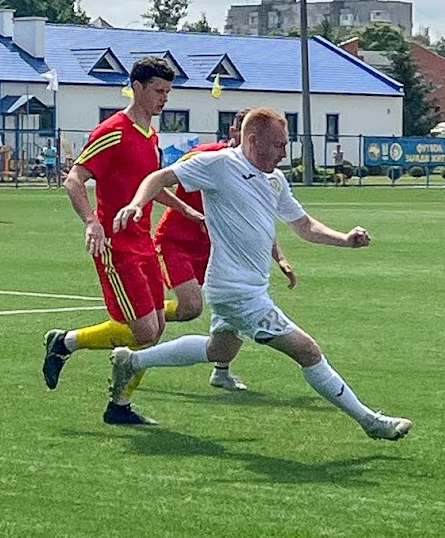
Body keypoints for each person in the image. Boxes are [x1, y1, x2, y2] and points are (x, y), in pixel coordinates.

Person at [105, 108, 412, 439]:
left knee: (218, 351)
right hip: (237, 293)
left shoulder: (274, 180)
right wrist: (138, 204)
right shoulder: (220, 165)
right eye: (279, 145)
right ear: (252, 141)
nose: (284, 152)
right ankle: (370, 422)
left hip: (248, 288)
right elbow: (159, 177)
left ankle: (131, 362)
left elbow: (304, 226)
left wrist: (346, 240)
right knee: (308, 351)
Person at [40, 56, 202, 426]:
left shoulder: (151, 134)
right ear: (138, 87)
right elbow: (74, 179)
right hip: (116, 245)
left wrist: (186, 211)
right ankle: (65, 342)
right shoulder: (113, 131)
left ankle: (119, 406)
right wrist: (92, 222)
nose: (164, 99)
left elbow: (149, 188)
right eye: (159, 91)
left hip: (143, 242)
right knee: (144, 330)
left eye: (168, 92)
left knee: (155, 329)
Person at [153, 108, 297, 391]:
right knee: (191, 308)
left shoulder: (258, 172)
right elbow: (160, 181)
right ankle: (147, 317)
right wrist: (184, 210)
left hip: (212, 247)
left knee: (234, 305)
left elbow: (259, 220)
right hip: (177, 240)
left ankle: (221, 370)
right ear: (236, 132)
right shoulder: (207, 158)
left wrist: (278, 256)